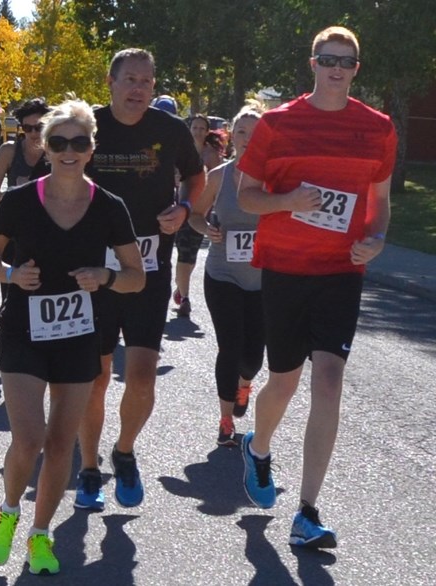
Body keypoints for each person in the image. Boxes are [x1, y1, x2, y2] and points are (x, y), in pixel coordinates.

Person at [238, 26, 396, 549]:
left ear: (356, 69)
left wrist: (375, 239)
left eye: (346, 62)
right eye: (327, 59)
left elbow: (380, 200)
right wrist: (289, 202)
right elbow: (248, 197)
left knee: (328, 380)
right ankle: (258, 448)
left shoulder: (378, 129)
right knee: (282, 382)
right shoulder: (278, 125)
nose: (336, 68)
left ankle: (307, 511)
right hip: (284, 268)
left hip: (340, 272)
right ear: (312, 63)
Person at [0, 99, 145, 575]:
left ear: (92, 148)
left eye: (79, 142)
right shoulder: (20, 200)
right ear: (43, 146)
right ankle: (9, 512)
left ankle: (40, 534)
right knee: (29, 438)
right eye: (58, 142)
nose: (69, 151)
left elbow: (136, 276)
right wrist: (11, 274)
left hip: (77, 335)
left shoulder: (109, 207)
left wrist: (106, 276)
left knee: (60, 444)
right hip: (23, 331)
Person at [75, 48, 205, 511]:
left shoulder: (168, 129)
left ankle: (124, 451)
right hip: (94, 272)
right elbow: (58, 176)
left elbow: (196, 175)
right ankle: (89, 468)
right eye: (130, 79)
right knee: (96, 377)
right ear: (110, 82)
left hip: (149, 269)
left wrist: (186, 208)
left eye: (147, 82)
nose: (138, 89)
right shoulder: (87, 126)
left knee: (143, 377)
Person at [187, 102, 265, 446]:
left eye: (256, 131)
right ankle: (224, 422)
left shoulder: (276, 179)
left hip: (262, 279)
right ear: (233, 136)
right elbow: (194, 215)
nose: (249, 138)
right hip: (223, 275)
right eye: (243, 131)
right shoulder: (218, 176)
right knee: (229, 346)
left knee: (253, 355)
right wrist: (208, 230)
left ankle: (245, 383)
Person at [0, 98, 51, 299]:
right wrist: (19, 194)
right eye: (27, 128)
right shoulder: (9, 150)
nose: (33, 133)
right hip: (12, 233)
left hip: (47, 232)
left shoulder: (56, 152)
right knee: (10, 297)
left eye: (39, 127)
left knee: (44, 293)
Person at [172, 113, 226, 318]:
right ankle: (185, 297)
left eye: (202, 128)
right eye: (195, 127)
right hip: (181, 207)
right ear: (189, 128)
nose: (198, 131)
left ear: (207, 131)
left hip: (202, 210)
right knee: (184, 254)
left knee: (191, 255)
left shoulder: (211, 154)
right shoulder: (179, 149)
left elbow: (219, 178)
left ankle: (180, 288)